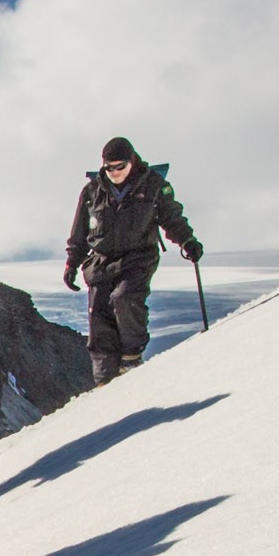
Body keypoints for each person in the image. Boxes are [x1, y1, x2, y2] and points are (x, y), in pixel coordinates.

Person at [63, 135, 201, 385]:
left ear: (132, 161)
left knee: (125, 298)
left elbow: (172, 218)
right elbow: (79, 232)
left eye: (120, 167)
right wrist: (72, 263)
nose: (114, 172)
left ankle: (131, 358)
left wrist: (187, 241)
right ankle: (105, 380)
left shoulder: (153, 185)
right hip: (101, 263)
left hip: (138, 258)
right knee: (99, 317)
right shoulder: (92, 191)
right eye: (109, 168)